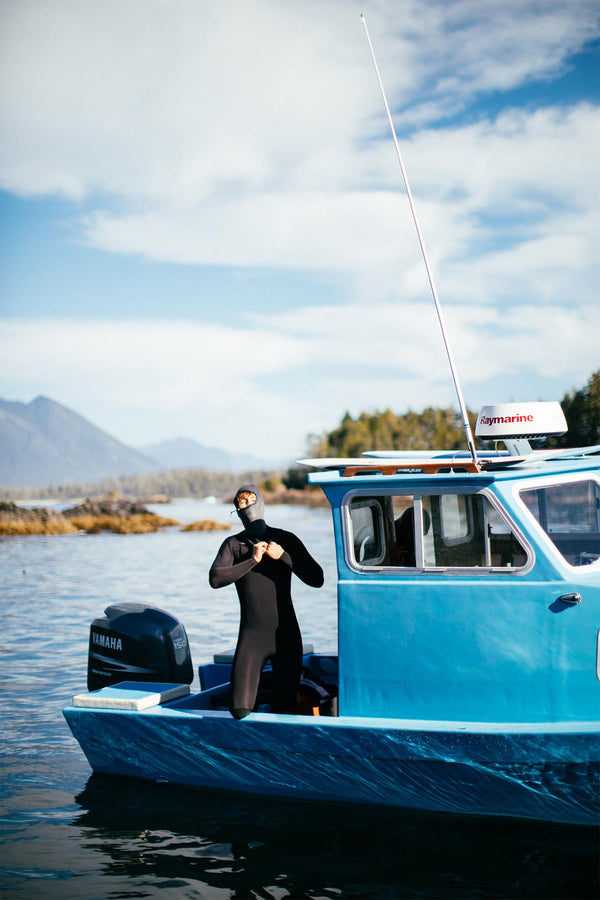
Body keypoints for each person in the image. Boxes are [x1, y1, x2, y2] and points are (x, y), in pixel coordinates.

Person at [209, 483, 324, 719]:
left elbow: (317, 578)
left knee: (285, 709)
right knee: (239, 710)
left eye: (251, 499)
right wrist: (253, 560)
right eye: (240, 502)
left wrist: (283, 556)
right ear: (236, 511)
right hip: (252, 639)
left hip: (286, 636)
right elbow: (215, 578)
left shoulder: (285, 539)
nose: (246, 505)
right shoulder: (233, 544)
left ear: (261, 502)